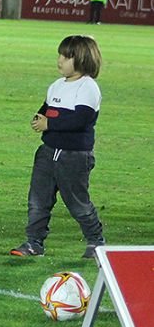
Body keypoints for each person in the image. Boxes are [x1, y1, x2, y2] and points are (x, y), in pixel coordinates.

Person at [10, 36, 105, 260]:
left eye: (66, 56)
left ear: (81, 59)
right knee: (38, 201)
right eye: (60, 55)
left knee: (78, 204)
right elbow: (46, 109)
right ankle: (34, 242)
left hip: (74, 157)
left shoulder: (88, 87)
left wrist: (49, 123)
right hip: (47, 153)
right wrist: (39, 117)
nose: (59, 60)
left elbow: (80, 119)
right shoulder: (56, 85)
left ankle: (96, 241)